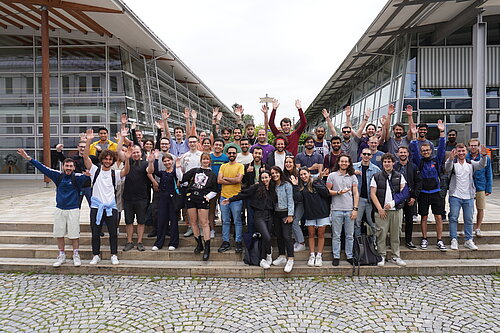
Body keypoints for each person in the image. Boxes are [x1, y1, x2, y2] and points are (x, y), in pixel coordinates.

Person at [17, 149, 90, 267]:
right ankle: (61, 255)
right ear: (63, 166)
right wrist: (29, 158)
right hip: (59, 209)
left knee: (74, 234)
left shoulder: (79, 177)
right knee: (59, 233)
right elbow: (43, 168)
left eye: (71, 166)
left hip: (73, 209)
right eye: (67, 166)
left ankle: (76, 254)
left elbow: (93, 173)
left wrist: (88, 175)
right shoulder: (58, 176)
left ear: (74, 167)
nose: (69, 168)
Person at [83, 129, 131, 265]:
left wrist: (127, 159)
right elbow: (85, 157)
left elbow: (126, 171)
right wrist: (88, 141)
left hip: (110, 207)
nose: (108, 161)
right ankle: (96, 254)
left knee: (113, 233)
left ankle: (114, 254)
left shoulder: (114, 173)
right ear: (102, 159)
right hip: (96, 206)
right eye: (106, 158)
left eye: (110, 159)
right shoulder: (95, 170)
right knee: (95, 232)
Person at [222, 171, 275, 269]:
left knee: (265, 238)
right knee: (266, 236)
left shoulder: (273, 188)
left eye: (266, 177)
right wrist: (230, 199)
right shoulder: (256, 187)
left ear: (270, 177)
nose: (264, 180)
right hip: (259, 216)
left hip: (270, 215)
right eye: (262, 178)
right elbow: (243, 194)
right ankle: (268, 255)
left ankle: (262, 259)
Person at [410, 120, 446, 251]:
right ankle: (424, 238)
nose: (425, 152)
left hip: (435, 192)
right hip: (424, 193)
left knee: (438, 217)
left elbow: (442, 150)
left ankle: (440, 240)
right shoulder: (419, 161)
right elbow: (413, 151)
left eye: (427, 150)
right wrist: (414, 136)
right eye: (423, 151)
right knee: (424, 217)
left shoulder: (436, 161)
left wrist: (441, 132)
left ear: (431, 150)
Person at [445, 144, 487, 251]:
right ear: (456, 152)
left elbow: (481, 165)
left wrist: (483, 156)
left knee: (468, 219)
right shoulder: (453, 163)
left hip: (468, 195)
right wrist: (450, 159)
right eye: (459, 151)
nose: (461, 153)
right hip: (455, 195)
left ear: (466, 152)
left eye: (463, 151)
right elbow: (447, 168)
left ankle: (469, 240)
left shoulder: (470, 163)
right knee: (453, 218)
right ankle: (453, 239)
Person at [370, 153, 409, 266]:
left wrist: (393, 203)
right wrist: (379, 209)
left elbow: (405, 192)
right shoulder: (376, 176)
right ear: (382, 163)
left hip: (396, 210)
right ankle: (381, 255)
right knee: (381, 234)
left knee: (396, 234)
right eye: (385, 162)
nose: (387, 164)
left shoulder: (399, 176)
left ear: (393, 163)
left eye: (389, 161)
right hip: (381, 211)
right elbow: (373, 194)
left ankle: (395, 256)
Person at [181, 153, 219, 260]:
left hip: (203, 199)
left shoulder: (212, 175)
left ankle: (207, 247)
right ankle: (199, 244)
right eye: (204, 159)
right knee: (193, 222)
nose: (205, 161)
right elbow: (182, 178)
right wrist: (179, 166)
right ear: (201, 160)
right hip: (191, 198)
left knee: (204, 223)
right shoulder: (194, 171)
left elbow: (215, 190)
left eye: (207, 159)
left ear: (209, 161)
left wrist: (208, 196)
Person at [326, 155, 359, 266]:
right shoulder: (332, 176)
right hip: (336, 209)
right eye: (342, 161)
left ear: (349, 163)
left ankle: (349, 255)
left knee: (349, 235)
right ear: (338, 163)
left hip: (349, 209)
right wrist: (338, 192)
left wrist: (355, 208)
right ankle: (336, 256)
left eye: (346, 161)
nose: (344, 163)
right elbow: (328, 191)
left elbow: (355, 193)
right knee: (336, 235)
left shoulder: (353, 177)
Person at [297, 167, 330, 267]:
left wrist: (317, 180)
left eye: (304, 174)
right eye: (301, 175)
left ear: (309, 173)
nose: (303, 176)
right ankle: (312, 255)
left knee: (321, 234)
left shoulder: (317, 182)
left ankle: (319, 255)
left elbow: (326, 193)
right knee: (311, 235)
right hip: (310, 213)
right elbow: (298, 198)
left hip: (322, 212)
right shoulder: (301, 186)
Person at [122, 145, 152, 252]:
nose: (135, 154)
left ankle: (139, 242)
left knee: (141, 221)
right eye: (134, 153)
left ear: (141, 153)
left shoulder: (145, 163)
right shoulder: (127, 163)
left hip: (141, 197)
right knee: (129, 221)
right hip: (128, 197)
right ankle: (129, 241)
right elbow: (124, 170)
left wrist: (151, 162)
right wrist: (126, 158)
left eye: (137, 152)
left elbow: (150, 171)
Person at [150, 152, 181, 251]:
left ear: (172, 161)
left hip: (173, 199)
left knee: (173, 220)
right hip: (163, 199)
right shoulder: (162, 173)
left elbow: (180, 178)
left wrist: (178, 166)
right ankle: (159, 243)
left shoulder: (175, 172)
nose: (167, 163)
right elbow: (154, 171)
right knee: (161, 220)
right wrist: (154, 159)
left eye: (168, 161)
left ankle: (174, 242)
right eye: (165, 161)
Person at [217, 146, 244, 253]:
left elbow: (239, 179)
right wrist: (233, 180)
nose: (232, 155)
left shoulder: (240, 166)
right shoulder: (223, 166)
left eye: (233, 153)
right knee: (225, 221)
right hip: (224, 197)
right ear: (227, 154)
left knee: (237, 221)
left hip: (236, 198)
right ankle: (226, 242)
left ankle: (238, 242)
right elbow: (219, 180)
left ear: (236, 154)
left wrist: (226, 179)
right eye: (230, 153)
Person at [394, 146, 422, 250]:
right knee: (397, 221)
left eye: (404, 152)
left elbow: (418, 182)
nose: (403, 154)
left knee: (409, 220)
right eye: (401, 152)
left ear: (408, 154)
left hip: (410, 198)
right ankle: (395, 241)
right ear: (397, 154)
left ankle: (408, 241)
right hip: (397, 198)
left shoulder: (413, 167)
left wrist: (414, 196)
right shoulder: (394, 167)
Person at [270, 166, 295, 273]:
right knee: (279, 235)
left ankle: (290, 258)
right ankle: (282, 255)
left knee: (286, 236)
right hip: (276, 213)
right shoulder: (272, 186)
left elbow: (290, 200)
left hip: (285, 213)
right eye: (272, 173)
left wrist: (290, 215)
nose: (275, 175)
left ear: (280, 173)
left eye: (276, 173)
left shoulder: (287, 185)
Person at [466, 139, 493, 236]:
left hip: (480, 186)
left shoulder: (485, 158)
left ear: (478, 146)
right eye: (471, 145)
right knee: (468, 209)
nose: (473, 147)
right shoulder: (465, 157)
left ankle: (478, 228)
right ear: (468, 146)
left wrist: (488, 188)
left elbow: (488, 173)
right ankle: (468, 227)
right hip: (467, 186)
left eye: (475, 145)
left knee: (480, 208)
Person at [353, 148, 381, 238]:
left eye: (368, 154)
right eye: (364, 154)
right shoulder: (353, 167)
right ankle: (358, 244)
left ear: (371, 156)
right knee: (357, 222)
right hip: (359, 199)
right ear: (361, 155)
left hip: (370, 200)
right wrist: (352, 173)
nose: (366, 156)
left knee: (372, 222)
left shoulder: (376, 169)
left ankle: (374, 243)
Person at [242, 146, 269, 234]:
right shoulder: (247, 166)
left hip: (263, 196)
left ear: (262, 155)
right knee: (250, 218)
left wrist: (264, 172)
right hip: (251, 196)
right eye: (255, 153)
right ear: (252, 154)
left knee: (262, 219)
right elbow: (243, 182)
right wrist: (247, 173)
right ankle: (251, 240)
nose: (257, 155)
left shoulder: (266, 167)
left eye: (259, 153)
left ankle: (262, 240)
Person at [283, 156, 305, 252]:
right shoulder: (283, 175)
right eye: (286, 162)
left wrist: (295, 185)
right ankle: (296, 241)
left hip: (300, 202)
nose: (288, 164)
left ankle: (301, 243)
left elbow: (300, 193)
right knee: (291, 222)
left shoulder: (298, 174)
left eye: (290, 162)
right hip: (290, 202)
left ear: (294, 164)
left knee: (295, 222)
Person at [209, 139, 229, 238]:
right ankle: (212, 229)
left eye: (220, 145)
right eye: (216, 144)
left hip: (223, 188)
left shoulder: (226, 158)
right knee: (211, 210)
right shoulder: (209, 157)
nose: (218, 146)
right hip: (211, 188)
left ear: (222, 147)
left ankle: (224, 230)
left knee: (224, 210)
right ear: (213, 145)